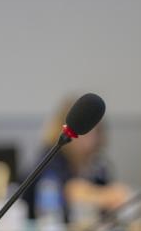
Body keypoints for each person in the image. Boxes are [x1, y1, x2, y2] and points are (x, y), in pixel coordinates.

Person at [23, 95, 130, 223]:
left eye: (93, 131)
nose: (87, 137)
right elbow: (69, 191)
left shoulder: (98, 162)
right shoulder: (51, 155)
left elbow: (111, 195)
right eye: (84, 130)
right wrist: (102, 196)